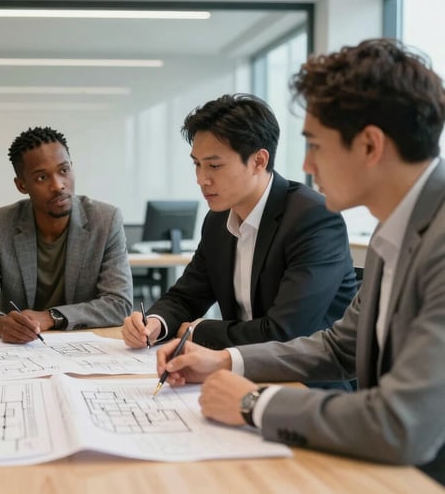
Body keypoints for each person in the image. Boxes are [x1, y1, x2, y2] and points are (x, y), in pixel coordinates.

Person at [156, 39, 445, 484]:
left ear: (370, 145)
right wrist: (226, 361)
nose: (307, 164)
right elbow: (337, 347)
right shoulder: (399, 228)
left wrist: (254, 404)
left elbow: (401, 422)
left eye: (315, 145)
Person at [122, 94, 356, 359]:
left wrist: (196, 331)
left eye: (214, 165)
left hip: (306, 381)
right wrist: (155, 323)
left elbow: (285, 333)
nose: (201, 179)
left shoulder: (312, 218)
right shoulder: (218, 220)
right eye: (197, 164)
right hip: (237, 369)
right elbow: (186, 296)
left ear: (259, 161)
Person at [0, 126, 133, 343]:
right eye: (41, 177)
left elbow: (119, 304)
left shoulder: (105, 220)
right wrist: (0, 324)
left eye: (64, 170)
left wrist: (52, 317)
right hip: (21, 350)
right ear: (21, 185)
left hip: (82, 346)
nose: (58, 186)